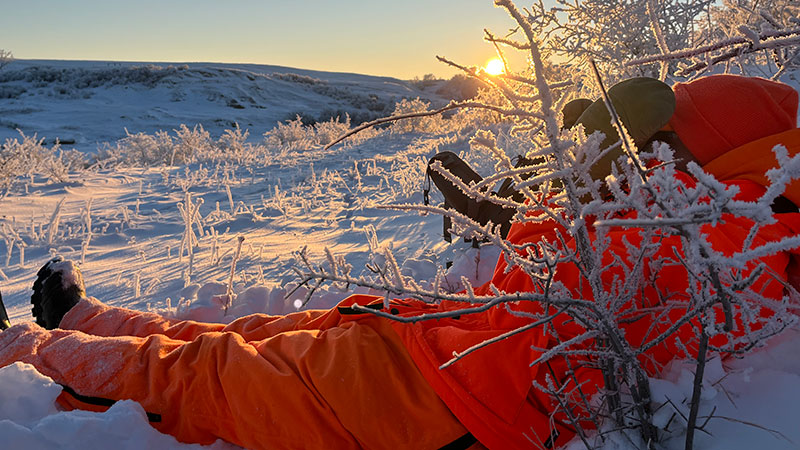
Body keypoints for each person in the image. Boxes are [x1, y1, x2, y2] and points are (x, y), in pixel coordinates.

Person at [1, 75, 799, 450]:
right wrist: (574, 197)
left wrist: (593, 198)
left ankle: (33, 354)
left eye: (640, 160)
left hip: (439, 403)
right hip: (434, 345)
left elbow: (646, 285)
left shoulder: (743, 242)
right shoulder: (765, 145)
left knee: (209, 378)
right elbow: (567, 272)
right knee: (248, 333)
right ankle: (83, 322)